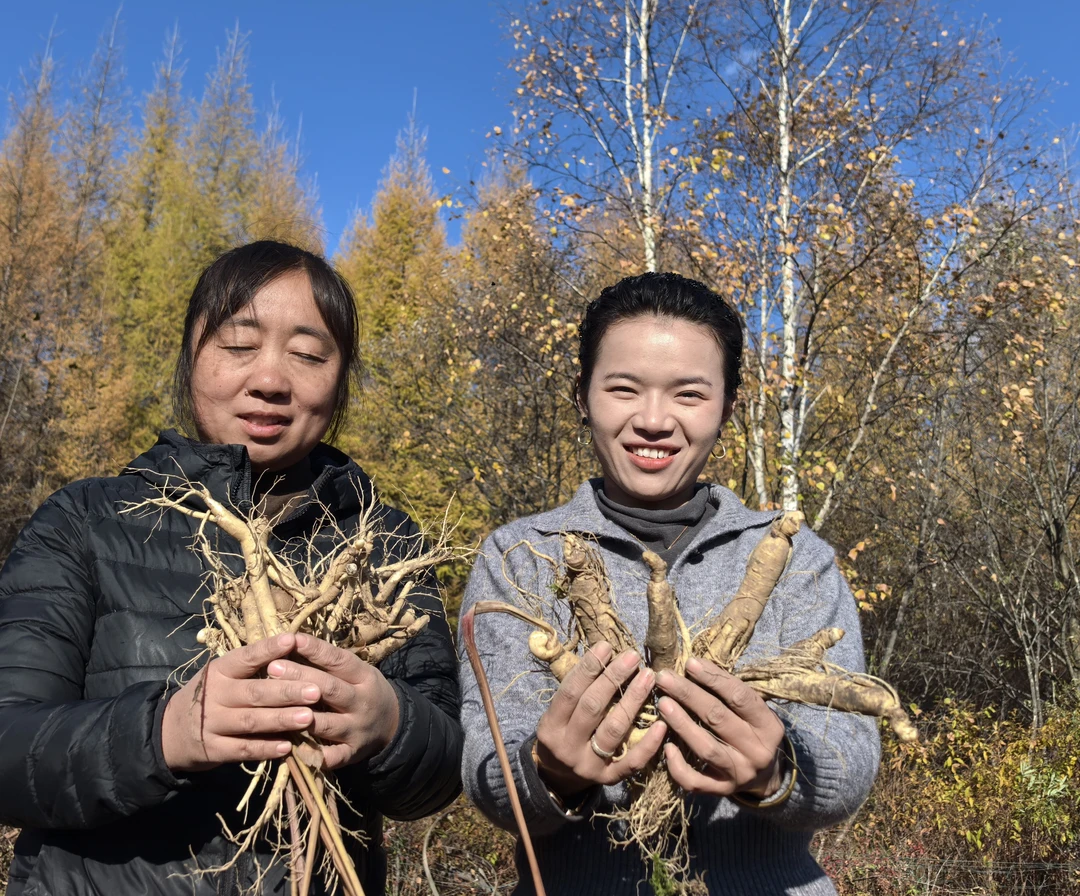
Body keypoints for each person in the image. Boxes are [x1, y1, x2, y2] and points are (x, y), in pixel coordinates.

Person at [0, 240, 462, 896]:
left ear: (340, 379)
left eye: (308, 354)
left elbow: (443, 767)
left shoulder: (383, 540)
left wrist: (389, 721)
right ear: (191, 356)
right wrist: (164, 731)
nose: (271, 379)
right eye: (239, 345)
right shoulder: (85, 520)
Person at [459, 272, 880, 895]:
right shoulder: (522, 556)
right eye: (623, 388)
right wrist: (548, 771)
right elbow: (486, 774)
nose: (654, 420)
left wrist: (775, 771)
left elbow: (851, 763)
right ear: (583, 396)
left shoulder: (797, 558)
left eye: (689, 394)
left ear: (728, 407)